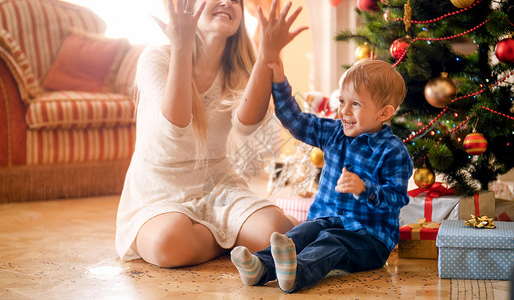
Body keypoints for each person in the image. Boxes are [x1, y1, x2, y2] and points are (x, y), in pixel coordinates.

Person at [115, 0, 307, 268]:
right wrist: (182, 47)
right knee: (168, 244)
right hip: (159, 191)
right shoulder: (156, 57)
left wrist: (266, 54)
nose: (227, 2)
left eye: (236, 1)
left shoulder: (239, 68)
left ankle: (211, 236)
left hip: (218, 187)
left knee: (279, 231)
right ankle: (227, 239)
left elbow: (247, 125)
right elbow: (175, 129)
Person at [230, 58, 414, 292]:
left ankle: (296, 274)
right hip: (326, 220)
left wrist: (364, 188)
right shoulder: (334, 132)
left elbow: (397, 198)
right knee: (302, 232)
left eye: (355, 104)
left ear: (384, 112)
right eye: (342, 101)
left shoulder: (392, 150)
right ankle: (261, 268)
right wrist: (278, 80)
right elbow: (295, 121)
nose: (344, 111)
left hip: (369, 238)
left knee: (332, 242)